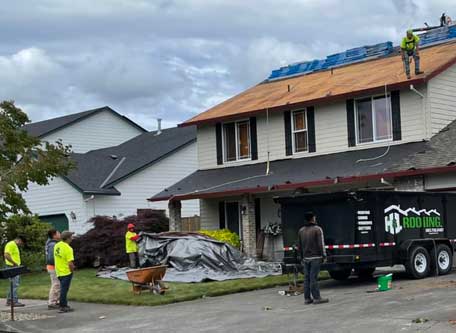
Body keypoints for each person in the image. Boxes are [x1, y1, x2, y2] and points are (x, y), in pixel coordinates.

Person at [298, 212, 328, 305]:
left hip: (306, 258)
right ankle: (317, 298)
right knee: (313, 278)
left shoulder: (301, 230)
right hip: (316, 257)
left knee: (307, 279)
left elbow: (300, 246)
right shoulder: (317, 229)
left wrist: (301, 258)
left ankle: (307, 299)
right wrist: (324, 255)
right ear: (313, 218)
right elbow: (321, 244)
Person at [54, 231, 75, 313]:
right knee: (64, 290)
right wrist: (72, 270)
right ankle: (63, 306)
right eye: (71, 236)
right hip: (66, 272)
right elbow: (70, 263)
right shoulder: (68, 249)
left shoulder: (57, 245)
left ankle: (63, 304)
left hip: (58, 271)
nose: (72, 238)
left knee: (62, 289)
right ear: (67, 238)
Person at [4, 236, 26, 307]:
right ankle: (13, 301)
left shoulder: (14, 245)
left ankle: (10, 300)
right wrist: (14, 263)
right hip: (12, 267)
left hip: (14, 266)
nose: (21, 244)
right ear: (19, 240)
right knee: (14, 284)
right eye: (21, 243)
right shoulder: (11, 244)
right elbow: (6, 255)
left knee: (13, 284)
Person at [45, 229, 61, 310]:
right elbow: (51, 258)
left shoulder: (50, 243)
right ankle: (52, 302)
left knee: (57, 284)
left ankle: (57, 301)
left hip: (52, 266)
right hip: (53, 267)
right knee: (56, 284)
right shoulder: (53, 245)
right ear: (54, 235)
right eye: (58, 233)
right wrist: (58, 264)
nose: (60, 234)